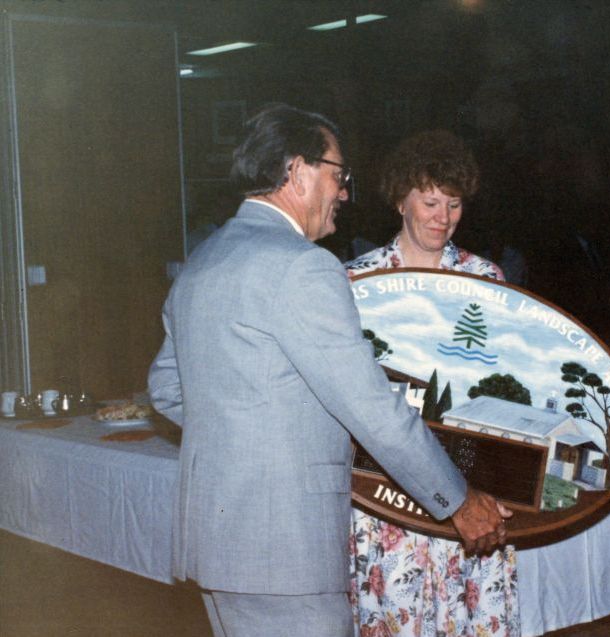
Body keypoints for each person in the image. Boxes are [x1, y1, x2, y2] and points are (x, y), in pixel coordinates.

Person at [147, 106, 509, 637]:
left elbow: (166, 389)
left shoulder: (205, 259)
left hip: (216, 544)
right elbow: (369, 406)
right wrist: (456, 499)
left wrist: (255, 439)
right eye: (338, 176)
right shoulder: (304, 266)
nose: (342, 192)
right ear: (298, 171)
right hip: (285, 546)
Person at [345, 130, 518, 637]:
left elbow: (506, 390)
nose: (443, 217)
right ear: (401, 200)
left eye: (455, 204)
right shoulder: (355, 281)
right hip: (385, 495)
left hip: (471, 484)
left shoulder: (486, 277)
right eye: (430, 201)